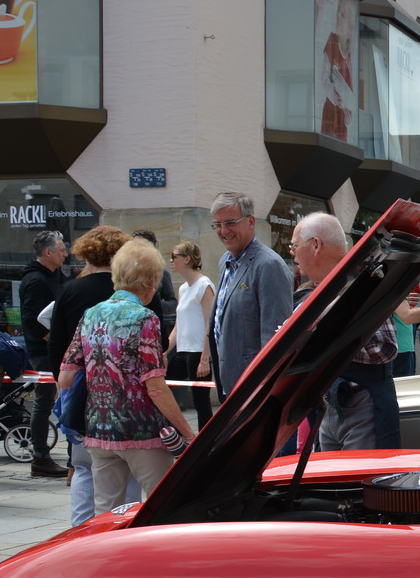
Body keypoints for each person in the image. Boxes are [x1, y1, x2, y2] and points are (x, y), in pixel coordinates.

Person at [57, 239, 196, 516]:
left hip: (99, 430)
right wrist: (187, 432)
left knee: (105, 511)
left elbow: (65, 378)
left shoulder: (90, 315)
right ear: (152, 279)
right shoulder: (145, 318)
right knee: (161, 507)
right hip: (141, 431)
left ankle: (106, 558)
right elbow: (154, 387)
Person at [289, 213, 400, 450]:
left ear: (315, 245)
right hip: (333, 402)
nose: (292, 253)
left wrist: (321, 340)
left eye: (294, 245)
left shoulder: (360, 282)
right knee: (332, 484)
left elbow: (384, 349)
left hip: (363, 405)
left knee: (358, 484)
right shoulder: (330, 285)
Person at [49, 225, 135, 526]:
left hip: (82, 390)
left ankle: (80, 531)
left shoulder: (71, 290)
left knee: (84, 467)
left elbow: (57, 347)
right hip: (124, 393)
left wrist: (64, 388)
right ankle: (128, 525)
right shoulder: (128, 292)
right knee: (130, 464)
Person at [207, 192, 294, 402]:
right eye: (217, 225)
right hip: (230, 384)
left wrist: (264, 389)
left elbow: (275, 338)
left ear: (250, 222)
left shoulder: (268, 265)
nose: (223, 231)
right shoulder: (225, 262)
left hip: (254, 389)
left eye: (230, 223)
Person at [19, 230, 70, 476]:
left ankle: (43, 455)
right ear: (48, 252)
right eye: (61, 251)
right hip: (42, 351)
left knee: (49, 400)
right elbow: (30, 320)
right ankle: (40, 456)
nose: (66, 255)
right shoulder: (36, 281)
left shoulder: (54, 276)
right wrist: (53, 341)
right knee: (44, 401)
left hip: (51, 348)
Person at [165, 241, 214, 430]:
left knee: (201, 400)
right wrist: (164, 351)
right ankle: (174, 432)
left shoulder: (204, 285)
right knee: (163, 388)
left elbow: (210, 322)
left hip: (198, 351)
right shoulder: (184, 288)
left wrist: (205, 358)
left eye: (174, 256)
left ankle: (206, 440)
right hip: (183, 350)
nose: (170, 260)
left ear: (187, 259)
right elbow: (179, 325)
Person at [130, 228, 175, 344]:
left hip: (152, 328)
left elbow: (173, 303)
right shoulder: (126, 272)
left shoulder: (161, 273)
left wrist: (154, 302)